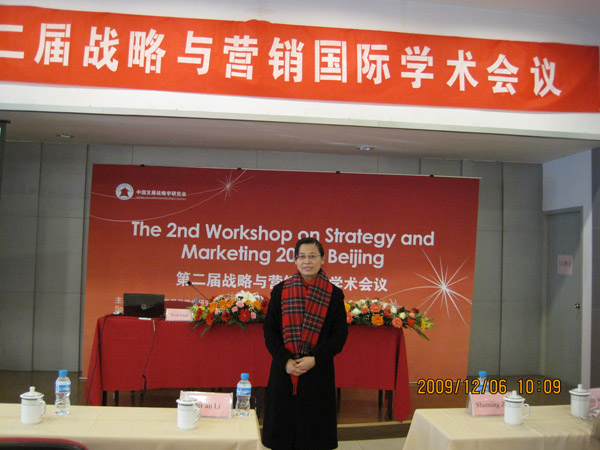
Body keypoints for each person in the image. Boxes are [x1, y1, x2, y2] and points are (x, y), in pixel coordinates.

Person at [262, 237, 348, 450]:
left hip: (317, 371)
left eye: (312, 256)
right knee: (281, 436)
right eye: (301, 256)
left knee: (314, 437)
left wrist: (315, 359)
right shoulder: (280, 291)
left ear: (322, 259)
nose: (307, 261)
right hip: (284, 370)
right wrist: (285, 361)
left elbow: (339, 337)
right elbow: (270, 332)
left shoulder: (334, 295)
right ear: (295, 260)